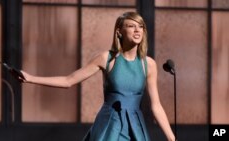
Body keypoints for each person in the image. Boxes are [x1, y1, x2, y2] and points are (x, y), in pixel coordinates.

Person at [19, 11, 175, 141]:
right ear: (119, 32)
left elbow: (156, 105)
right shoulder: (107, 58)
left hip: (135, 128)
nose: (137, 30)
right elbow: (68, 81)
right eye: (131, 26)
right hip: (110, 126)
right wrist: (30, 78)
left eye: (140, 26)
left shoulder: (148, 64)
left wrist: (171, 138)